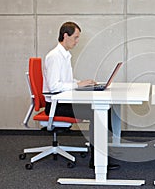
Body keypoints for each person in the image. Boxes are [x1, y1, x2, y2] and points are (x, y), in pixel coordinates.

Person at [43, 21, 119, 170]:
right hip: (56, 106)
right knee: (99, 112)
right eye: (76, 37)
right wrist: (77, 85)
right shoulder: (54, 56)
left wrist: (82, 83)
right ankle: (98, 160)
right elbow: (53, 86)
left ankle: (101, 154)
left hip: (64, 101)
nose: (77, 41)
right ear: (66, 36)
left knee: (106, 110)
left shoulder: (64, 55)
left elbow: (65, 81)